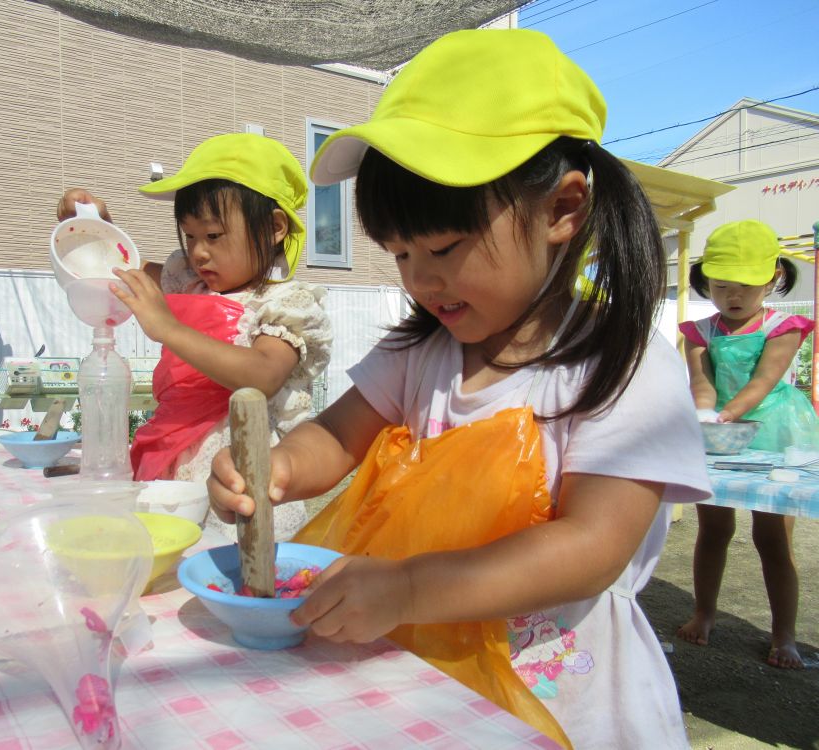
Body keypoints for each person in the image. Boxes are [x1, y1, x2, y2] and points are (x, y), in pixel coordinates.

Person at [207, 29, 712, 750]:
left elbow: (593, 545)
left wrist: (412, 587)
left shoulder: (624, 365)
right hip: (428, 677)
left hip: (563, 698)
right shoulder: (422, 352)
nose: (420, 280)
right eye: (403, 254)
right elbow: (335, 434)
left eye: (443, 249)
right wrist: (277, 468)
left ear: (562, 210)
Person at [57, 133, 333, 541]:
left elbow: (263, 375)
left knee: (224, 575)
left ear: (275, 228)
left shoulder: (285, 304)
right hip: (172, 465)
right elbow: (122, 270)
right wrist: (93, 225)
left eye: (214, 236)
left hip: (241, 476)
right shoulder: (188, 281)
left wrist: (168, 327)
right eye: (189, 236)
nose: (199, 252)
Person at [676, 219, 816, 669]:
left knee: (772, 537)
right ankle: (704, 613)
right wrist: (704, 414)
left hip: (774, 432)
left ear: (774, 277)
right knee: (712, 529)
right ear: (705, 282)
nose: (732, 297)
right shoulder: (700, 333)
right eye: (720, 287)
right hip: (721, 435)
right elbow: (702, 384)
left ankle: (784, 635)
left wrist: (727, 415)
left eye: (744, 286)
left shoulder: (784, 327)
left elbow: (763, 382)